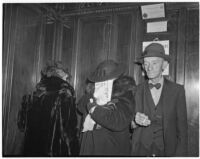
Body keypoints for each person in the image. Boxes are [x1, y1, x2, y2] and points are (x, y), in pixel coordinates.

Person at [131, 43, 188, 157]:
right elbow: (130, 125)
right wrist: (135, 121)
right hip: (141, 151)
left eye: (154, 63)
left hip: (167, 151)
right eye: (146, 63)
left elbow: (183, 130)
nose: (149, 67)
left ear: (164, 64)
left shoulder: (177, 91)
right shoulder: (135, 91)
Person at [17, 61, 79, 156]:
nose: (67, 77)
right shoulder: (65, 91)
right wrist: (73, 151)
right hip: (54, 150)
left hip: (33, 148)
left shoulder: (37, 90)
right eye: (66, 74)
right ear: (60, 73)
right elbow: (68, 128)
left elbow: (22, 125)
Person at [79, 60, 136, 156]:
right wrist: (93, 95)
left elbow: (118, 121)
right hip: (90, 146)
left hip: (112, 148)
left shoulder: (124, 95)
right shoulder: (93, 93)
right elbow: (80, 106)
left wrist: (93, 108)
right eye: (100, 81)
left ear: (117, 79)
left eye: (107, 80)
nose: (102, 84)